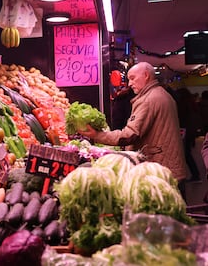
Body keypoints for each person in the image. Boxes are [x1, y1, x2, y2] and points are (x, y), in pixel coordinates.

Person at [78, 62, 188, 200]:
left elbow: (130, 134)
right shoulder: (162, 94)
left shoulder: (149, 100)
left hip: (160, 170)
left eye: (132, 78)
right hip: (169, 168)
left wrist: (97, 135)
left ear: (146, 75)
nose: (129, 83)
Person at [176, 87, 202, 182]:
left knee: (186, 154)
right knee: (187, 153)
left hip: (184, 131)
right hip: (191, 131)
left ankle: (195, 175)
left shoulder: (182, 105)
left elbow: (181, 119)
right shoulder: (192, 104)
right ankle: (195, 175)